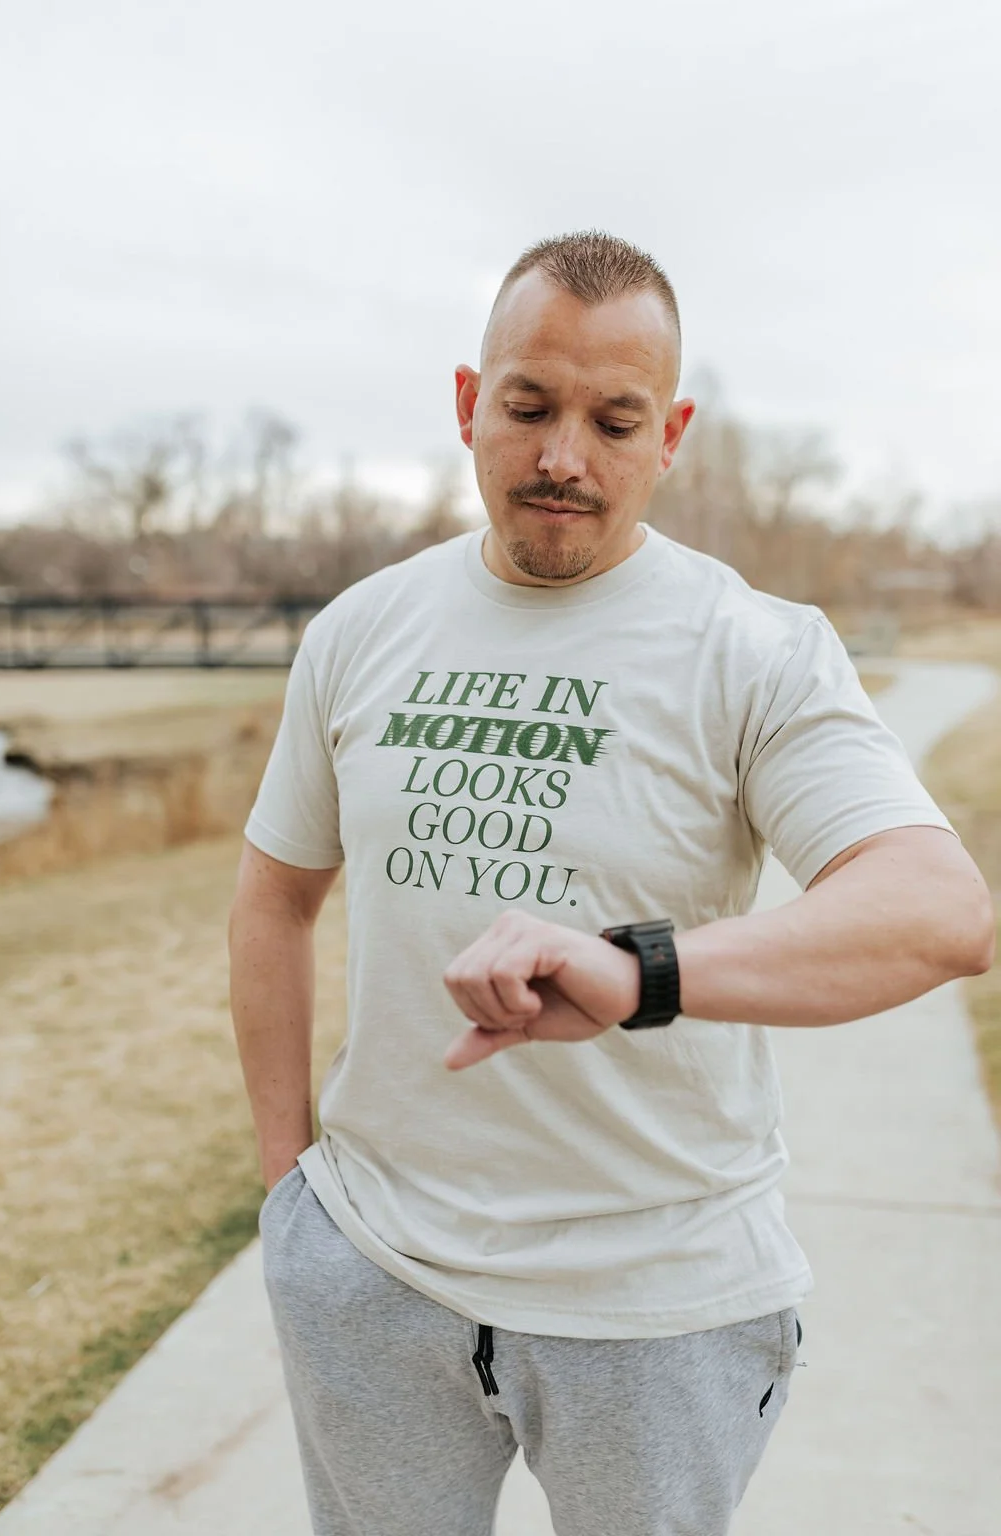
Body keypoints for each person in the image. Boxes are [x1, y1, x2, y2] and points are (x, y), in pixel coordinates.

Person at [228, 231, 994, 1536]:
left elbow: (940, 911)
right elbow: (274, 898)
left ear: (671, 433)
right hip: (375, 1274)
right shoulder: (359, 631)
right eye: (528, 407)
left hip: (658, 1308)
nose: (561, 458)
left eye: (612, 418)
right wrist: (290, 1183)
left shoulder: (753, 651)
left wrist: (643, 970)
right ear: (472, 403)